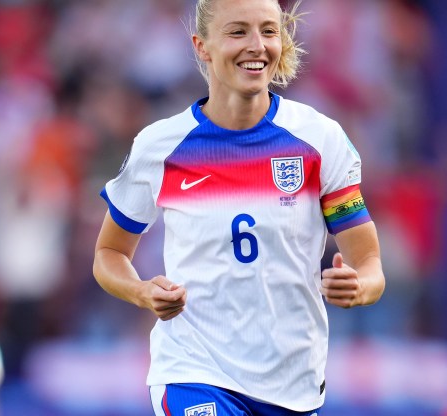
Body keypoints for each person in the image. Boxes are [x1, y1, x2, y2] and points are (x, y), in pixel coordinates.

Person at [92, 0, 385, 414]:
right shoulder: (161, 146)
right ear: (202, 46)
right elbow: (109, 254)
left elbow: (368, 262)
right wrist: (141, 292)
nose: (257, 45)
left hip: (293, 384)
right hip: (195, 370)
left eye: (268, 31)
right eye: (238, 32)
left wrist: (359, 287)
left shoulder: (319, 139)